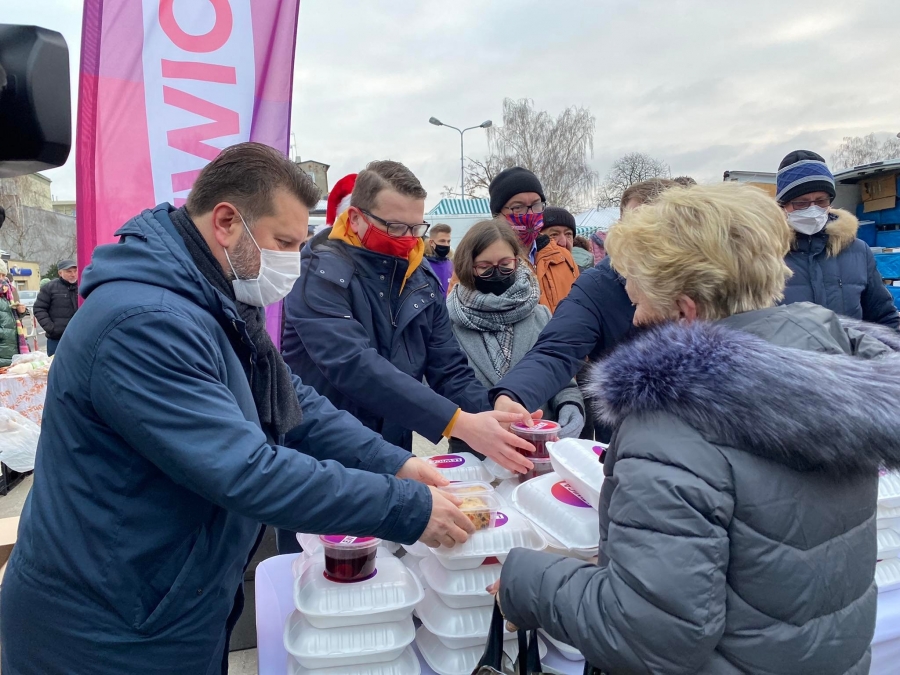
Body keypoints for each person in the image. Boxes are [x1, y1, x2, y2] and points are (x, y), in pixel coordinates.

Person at [1, 143, 475, 675]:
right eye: (283, 243)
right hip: (107, 627)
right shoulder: (144, 322)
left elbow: (291, 397)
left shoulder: (211, 297)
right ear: (227, 222)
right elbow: (247, 472)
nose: (292, 261)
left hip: (168, 598)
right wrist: (405, 507)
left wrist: (397, 463)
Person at [495, 182, 900, 675]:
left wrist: (525, 579)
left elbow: (649, 633)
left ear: (686, 312)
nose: (635, 317)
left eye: (641, 300)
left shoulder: (671, 428)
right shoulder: (833, 369)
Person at [282, 160, 536, 472]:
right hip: (325, 457)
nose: (407, 239)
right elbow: (353, 365)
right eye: (395, 227)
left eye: (416, 229)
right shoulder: (317, 273)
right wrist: (457, 422)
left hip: (394, 452)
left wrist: (495, 412)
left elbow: (448, 369)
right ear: (356, 218)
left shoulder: (421, 279)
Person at [492, 178, 679, 441]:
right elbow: (557, 348)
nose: (642, 236)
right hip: (623, 440)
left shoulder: (709, 282)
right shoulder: (599, 285)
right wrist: (512, 394)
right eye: (634, 225)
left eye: (653, 225)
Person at [446, 218, 584, 455]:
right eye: (485, 266)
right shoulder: (449, 323)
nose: (497, 272)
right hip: (474, 456)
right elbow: (442, 389)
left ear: (517, 261)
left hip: (539, 450)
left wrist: (570, 405)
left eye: (505, 264)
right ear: (468, 267)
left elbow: (561, 380)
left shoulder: (540, 315)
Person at [776, 150, 899, 328]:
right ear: (782, 206)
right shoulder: (765, 255)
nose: (812, 209)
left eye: (821, 201)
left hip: (848, 347)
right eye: (801, 203)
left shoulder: (858, 251)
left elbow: (884, 317)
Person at [489, 167, 579, 313]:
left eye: (536, 205)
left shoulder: (563, 258)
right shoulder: (481, 262)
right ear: (498, 214)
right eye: (518, 207)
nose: (530, 214)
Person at [32, 258, 79, 356]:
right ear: (60, 273)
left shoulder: (82, 286)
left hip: (79, 337)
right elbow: (39, 308)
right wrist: (51, 328)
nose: (73, 274)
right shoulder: (49, 288)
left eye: (75, 271)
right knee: (55, 364)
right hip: (57, 339)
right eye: (69, 271)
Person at [0, 260, 28, 367]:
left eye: (3, 275)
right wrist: (5, 333)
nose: (1, 278)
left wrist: (20, 312)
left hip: (10, 347)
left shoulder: (7, 292)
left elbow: (8, 317)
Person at [425, 223, 454, 295]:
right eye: (442, 241)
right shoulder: (423, 266)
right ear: (431, 242)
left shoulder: (451, 264)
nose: (446, 244)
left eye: (448, 241)